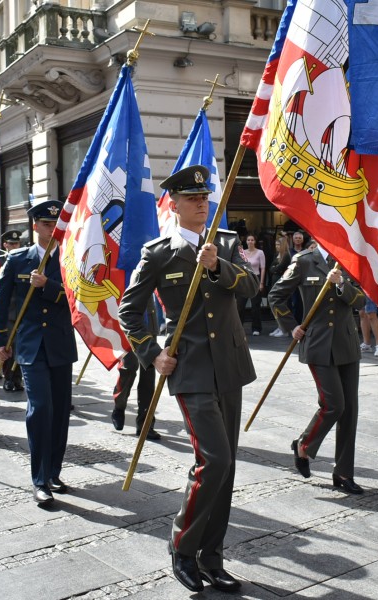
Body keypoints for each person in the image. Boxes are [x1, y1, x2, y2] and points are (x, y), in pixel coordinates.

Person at [118, 165, 258, 593]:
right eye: (192, 198)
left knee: (227, 467)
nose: (202, 203)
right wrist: (152, 353)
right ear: (173, 204)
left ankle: (213, 558)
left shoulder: (228, 244)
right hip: (191, 369)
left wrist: (218, 268)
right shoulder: (159, 253)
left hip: (230, 367)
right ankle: (183, 546)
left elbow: (251, 288)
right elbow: (129, 310)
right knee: (212, 460)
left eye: (205, 197)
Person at [0, 203, 78, 505]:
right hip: (31, 347)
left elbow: (76, 300)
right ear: (35, 227)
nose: (51, 229)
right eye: (45, 224)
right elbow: (1, 304)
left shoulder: (70, 259)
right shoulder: (17, 260)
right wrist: (0, 341)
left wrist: (49, 285)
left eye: (56, 224)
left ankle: (54, 471)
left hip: (60, 345)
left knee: (59, 413)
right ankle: (39, 479)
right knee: (40, 409)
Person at [268, 245, 365, 495]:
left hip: (347, 344)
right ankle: (304, 444)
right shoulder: (302, 261)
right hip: (318, 344)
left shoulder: (349, 257)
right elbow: (276, 295)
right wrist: (290, 326)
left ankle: (343, 473)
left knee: (349, 411)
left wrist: (342, 284)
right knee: (333, 404)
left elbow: (361, 300)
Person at [112, 294, 161, 441]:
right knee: (128, 368)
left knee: (148, 375)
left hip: (148, 319)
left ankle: (145, 424)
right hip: (129, 321)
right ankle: (119, 407)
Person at [0, 229, 24, 392]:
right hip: (7, 311)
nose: (14, 246)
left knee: (21, 347)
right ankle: (8, 378)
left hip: (23, 310)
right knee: (8, 348)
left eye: (17, 243)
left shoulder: (24, 259)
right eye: (11, 243)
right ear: (5, 245)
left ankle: (18, 379)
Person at [238, 234, 266, 336]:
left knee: (255, 306)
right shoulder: (243, 253)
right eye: (248, 240)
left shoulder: (260, 252)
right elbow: (239, 266)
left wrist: (261, 283)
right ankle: (239, 328)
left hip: (256, 279)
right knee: (240, 306)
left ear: (255, 241)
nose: (250, 241)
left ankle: (256, 328)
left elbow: (262, 268)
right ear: (246, 241)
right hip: (244, 280)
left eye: (252, 240)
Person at [267, 236, 291, 337]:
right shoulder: (277, 255)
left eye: (278, 245)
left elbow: (279, 268)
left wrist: (274, 268)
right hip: (275, 281)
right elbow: (271, 268)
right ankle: (279, 326)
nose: (276, 246)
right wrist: (275, 268)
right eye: (276, 244)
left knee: (281, 304)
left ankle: (284, 328)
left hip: (281, 282)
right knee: (275, 304)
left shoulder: (286, 256)